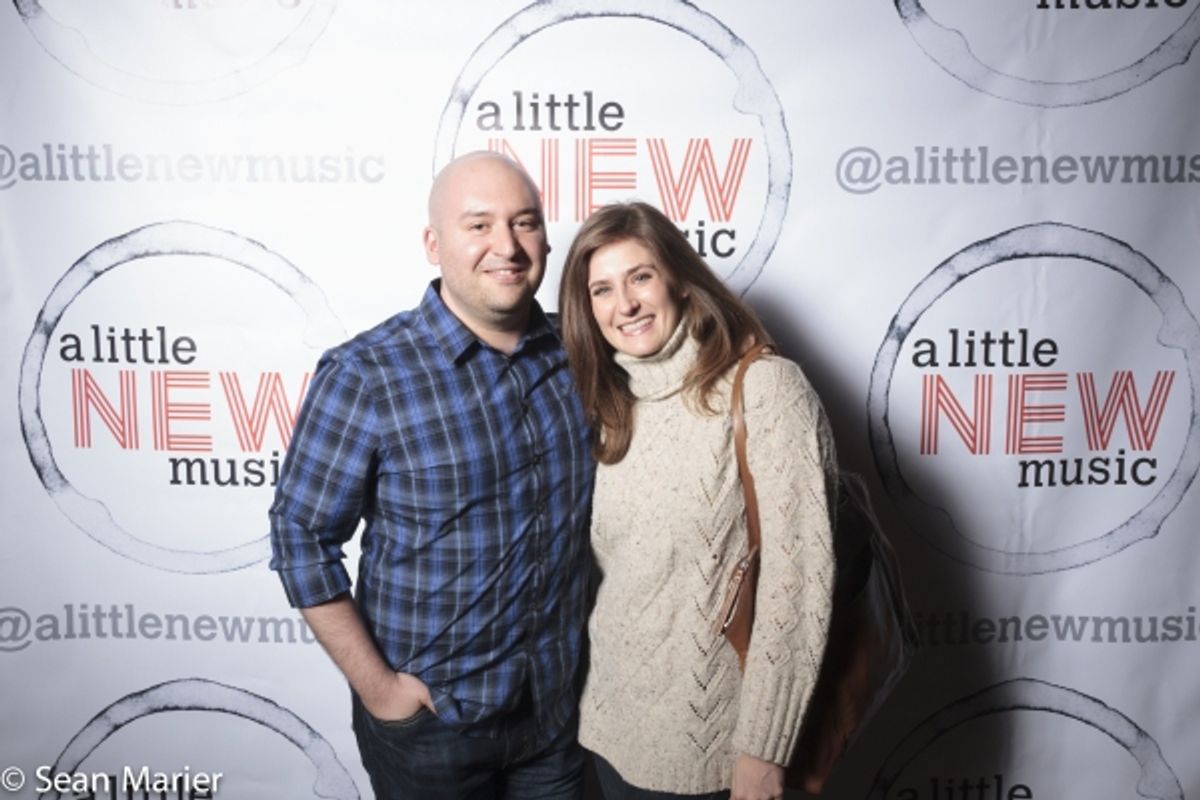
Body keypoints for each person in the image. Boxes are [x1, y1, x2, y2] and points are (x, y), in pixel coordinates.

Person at [268, 151, 594, 800]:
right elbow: (300, 537)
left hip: (559, 715)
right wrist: (381, 691)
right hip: (431, 729)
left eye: (524, 223)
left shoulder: (582, 353)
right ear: (432, 243)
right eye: (479, 225)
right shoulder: (367, 374)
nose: (506, 245)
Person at [558, 202, 837, 800]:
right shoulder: (610, 407)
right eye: (601, 289)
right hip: (607, 736)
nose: (624, 304)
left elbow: (801, 585)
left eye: (640, 277)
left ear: (679, 279)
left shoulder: (765, 389)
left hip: (713, 753)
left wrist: (763, 752)